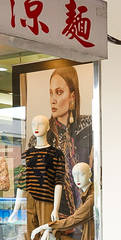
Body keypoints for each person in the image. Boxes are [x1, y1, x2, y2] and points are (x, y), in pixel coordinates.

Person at [48, 67, 92, 217]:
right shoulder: (44, 136)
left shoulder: (89, 127)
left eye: (59, 92)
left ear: (72, 96)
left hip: (87, 212)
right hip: (56, 215)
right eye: (51, 93)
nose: (53, 99)